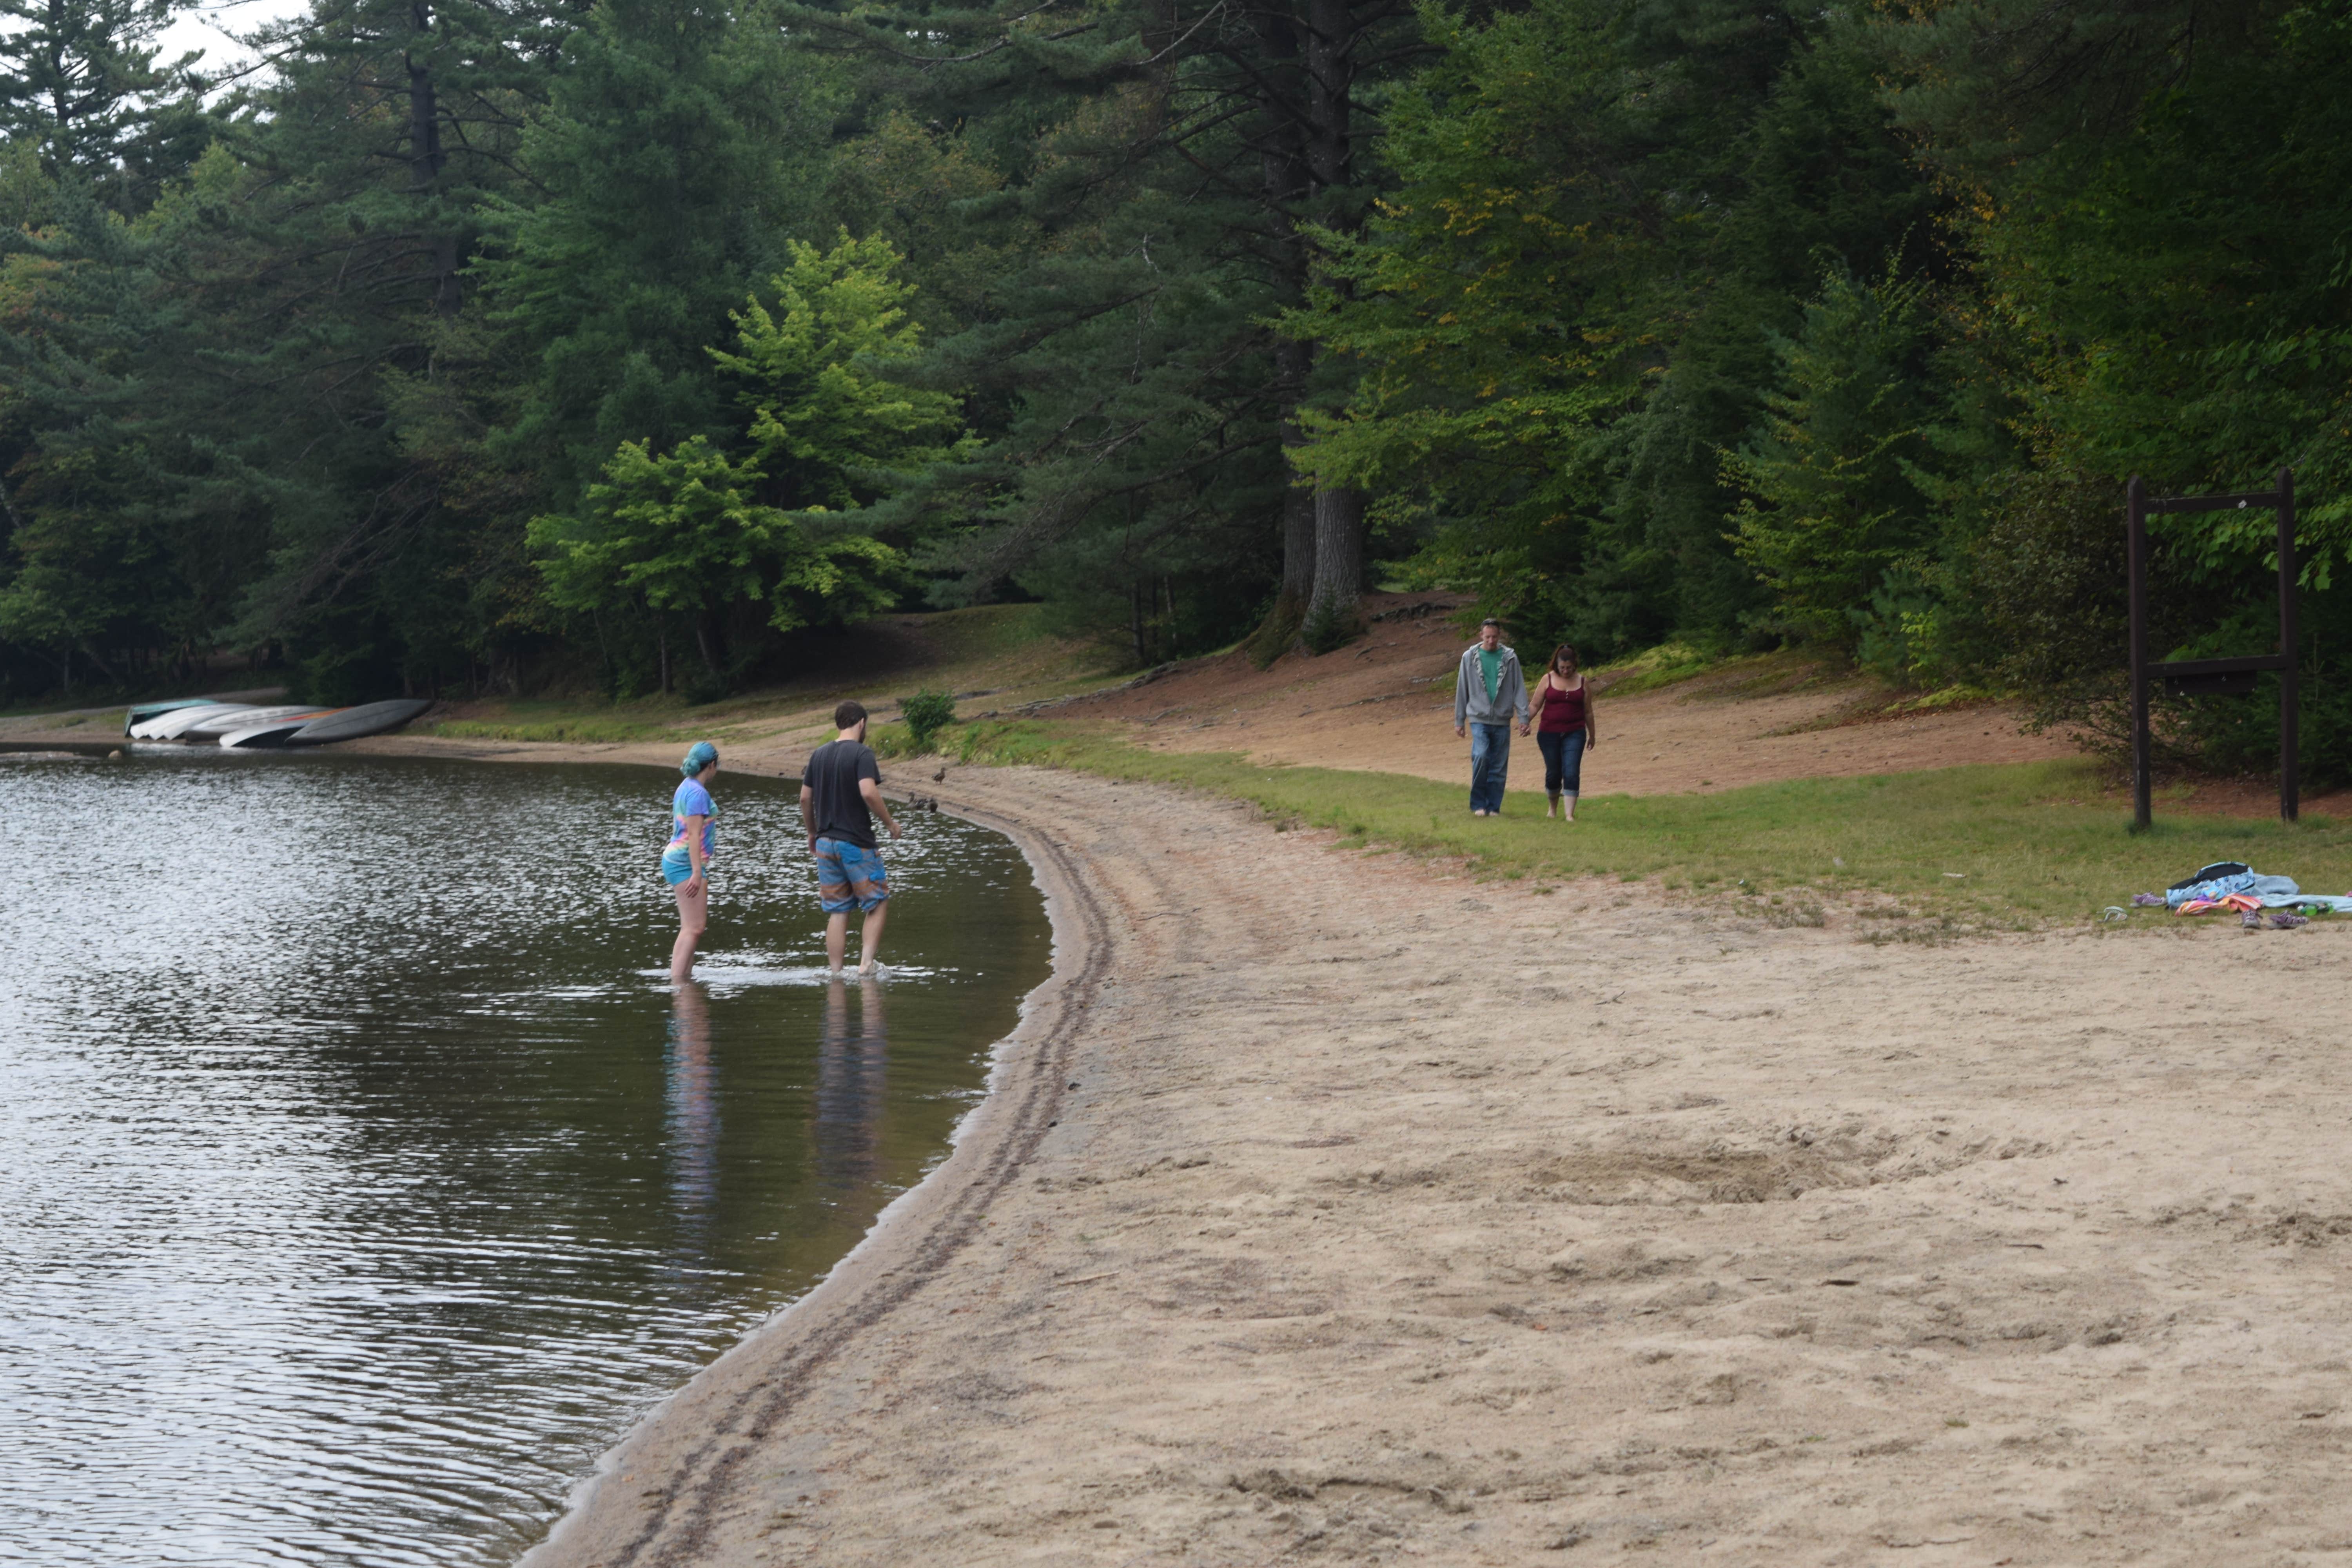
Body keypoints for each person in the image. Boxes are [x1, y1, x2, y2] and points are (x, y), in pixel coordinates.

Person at [801, 700, 902, 975]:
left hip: (825, 843)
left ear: (838, 724)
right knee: (878, 902)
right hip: (856, 842)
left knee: (838, 910)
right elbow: (868, 792)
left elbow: (804, 798)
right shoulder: (862, 754)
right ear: (862, 723)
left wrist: (812, 832)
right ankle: (866, 965)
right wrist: (890, 823)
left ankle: (836, 975)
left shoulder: (818, 755)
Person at [1453, 617, 1529, 816]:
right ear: (1481, 635)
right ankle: (1478, 804)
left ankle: (1494, 806)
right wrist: (1459, 720)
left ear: (1500, 636)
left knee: (1498, 764)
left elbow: (1519, 688)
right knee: (1481, 755)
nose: (1491, 641)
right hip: (1478, 717)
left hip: (1502, 718)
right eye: (1487, 637)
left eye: (1494, 637)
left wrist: (1524, 718)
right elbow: (1463, 689)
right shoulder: (1469, 657)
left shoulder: (1510, 658)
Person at [662, 741, 720, 980]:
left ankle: (683, 981)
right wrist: (697, 873)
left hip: (679, 861)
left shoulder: (687, 786)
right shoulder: (697, 793)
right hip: (686, 864)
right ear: (712, 765)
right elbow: (694, 834)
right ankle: (677, 984)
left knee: (691, 927)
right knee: (694, 928)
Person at [1531, 643, 1598, 821]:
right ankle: (1552, 809)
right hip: (1549, 733)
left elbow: (1589, 711)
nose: (1566, 671)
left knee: (1571, 770)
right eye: (1562, 668)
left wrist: (1592, 735)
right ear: (1556, 665)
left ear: (1575, 665)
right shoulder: (1547, 679)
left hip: (1575, 732)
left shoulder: (1583, 682)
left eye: (1569, 668)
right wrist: (1525, 722)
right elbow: (1535, 705)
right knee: (1554, 772)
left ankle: (1569, 814)